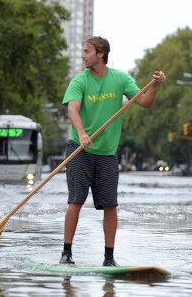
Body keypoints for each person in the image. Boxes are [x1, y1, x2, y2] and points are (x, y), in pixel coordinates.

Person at [60, 36, 166, 267]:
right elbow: (72, 111)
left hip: (107, 153)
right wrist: (82, 133)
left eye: (87, 51)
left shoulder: (120, 79)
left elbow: (146, 102)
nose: (83, 55)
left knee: (110, 205)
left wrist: (155, 86)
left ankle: (109, 258)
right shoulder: (79, 81)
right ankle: (66, 254)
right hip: (80, 149)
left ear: (100, 54)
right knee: (76, 201)